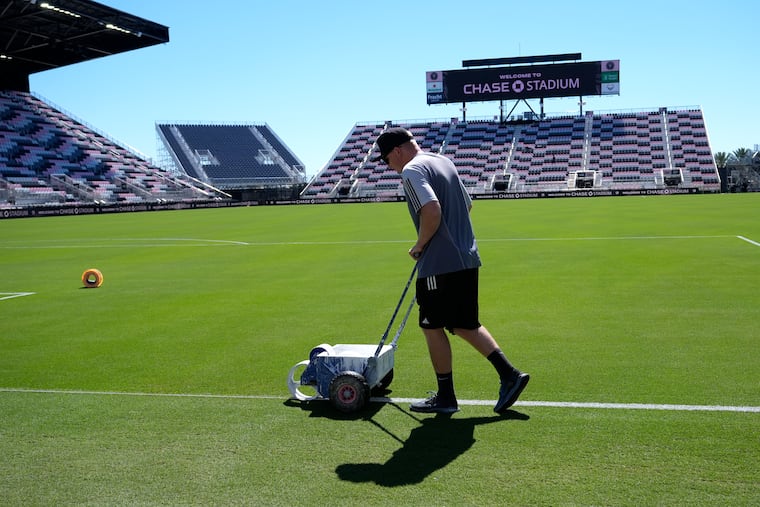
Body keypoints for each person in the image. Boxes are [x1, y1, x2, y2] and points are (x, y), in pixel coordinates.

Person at [374, 127, 529, 414]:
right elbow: (467, 205)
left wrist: (421, 244)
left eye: (385, 160)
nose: (388, 166)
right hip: (467, 257)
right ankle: (509, 375)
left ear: (397, 151)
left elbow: (432, 210)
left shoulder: (411, 170)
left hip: (439, 263)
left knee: (431, 325)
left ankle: (446, 397)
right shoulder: (444, 162)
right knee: (464, 323)